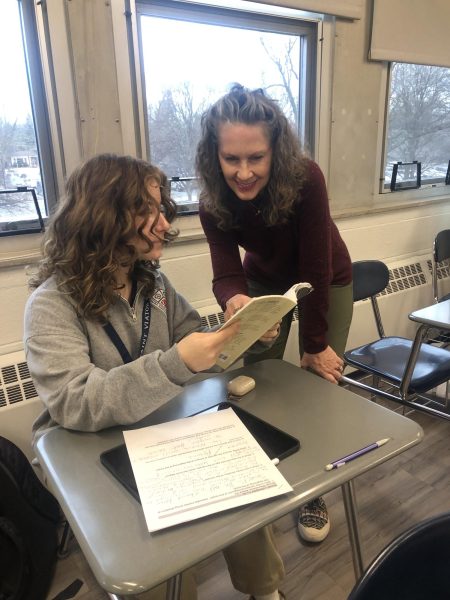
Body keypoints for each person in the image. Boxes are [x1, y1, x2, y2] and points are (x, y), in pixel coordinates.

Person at [24, 153, 285, 600]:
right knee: (160, 555)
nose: (165, 222)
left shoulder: (153, 284)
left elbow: (191, 340)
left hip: (157, 428)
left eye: (162, 207)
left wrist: (244, 332)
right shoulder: (52, 305)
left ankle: (266, 591)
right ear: (106, 217)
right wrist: (177, 362)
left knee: (242, 488)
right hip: (88, 448)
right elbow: (74, 402)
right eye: (149, 210)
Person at [196, 84, 353, 544]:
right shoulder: (212, 201)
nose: (243, 173)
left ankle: (313, 490)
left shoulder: (306, 179)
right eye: (231, 160)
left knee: (316, 385)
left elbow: (315, 271)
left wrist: (314, 345)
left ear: (275, 151)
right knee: (256, 383)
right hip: (263, 281)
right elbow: (225, 272)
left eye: (256, 158)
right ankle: (262, 472)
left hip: (328, 276)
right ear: (215, 156)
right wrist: (236, 302)